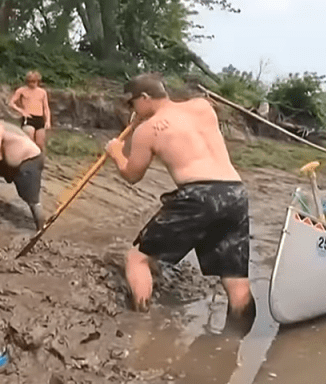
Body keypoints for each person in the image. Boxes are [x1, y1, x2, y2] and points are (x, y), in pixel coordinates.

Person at [104, 73, 255, 327]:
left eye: (132, 104)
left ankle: (139, 329)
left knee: (137, 259)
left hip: (199, 196)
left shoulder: (147, 131)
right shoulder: (202, 107)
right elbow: (184, 114)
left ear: (144, 98)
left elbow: (132, 175)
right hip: (235, 192)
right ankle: (235, 344)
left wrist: (116, 153)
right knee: (235, 278)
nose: (131, 110)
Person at [9, 70, 52, 152]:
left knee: (40, 143)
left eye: (34, 82)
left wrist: (48, 121)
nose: (32, 84)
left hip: (39, 118)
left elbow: (46, 108)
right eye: (30, 82)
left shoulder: (42, 92)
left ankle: (39, 160)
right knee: (29, 136)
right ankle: (27, 158)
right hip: (28, 117)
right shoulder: (21, 90)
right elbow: (11, 103)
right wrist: (21, 111)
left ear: (38, 81)